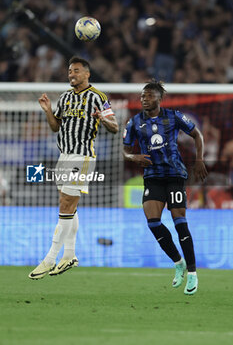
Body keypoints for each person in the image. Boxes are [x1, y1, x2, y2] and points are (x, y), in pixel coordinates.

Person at [29, 56, 119, 279]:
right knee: (69, 205)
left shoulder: (98, 97)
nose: (72, 74)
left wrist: (102, 119)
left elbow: (115, 127)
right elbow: (55, 127)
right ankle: (69, 255)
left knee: (66, 203)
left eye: (76, 71)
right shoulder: (65, 97)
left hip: (82, 157)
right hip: (64, 156)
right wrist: (48, 110)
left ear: (87, 74)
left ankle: (50, 258)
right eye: (70, 71)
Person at [123, 80, 208, 295]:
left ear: (159, 99)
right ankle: (177, 262)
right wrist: (133, 156)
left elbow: (197, 134)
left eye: (149, 95)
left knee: (180, 223)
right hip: (152, 177)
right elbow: (124, 149)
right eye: (142, 96)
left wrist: (199, 160)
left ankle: (192, 273)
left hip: (174, 175)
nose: (144, 98)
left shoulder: (173, 116)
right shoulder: (134, 122)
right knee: (153, 223)